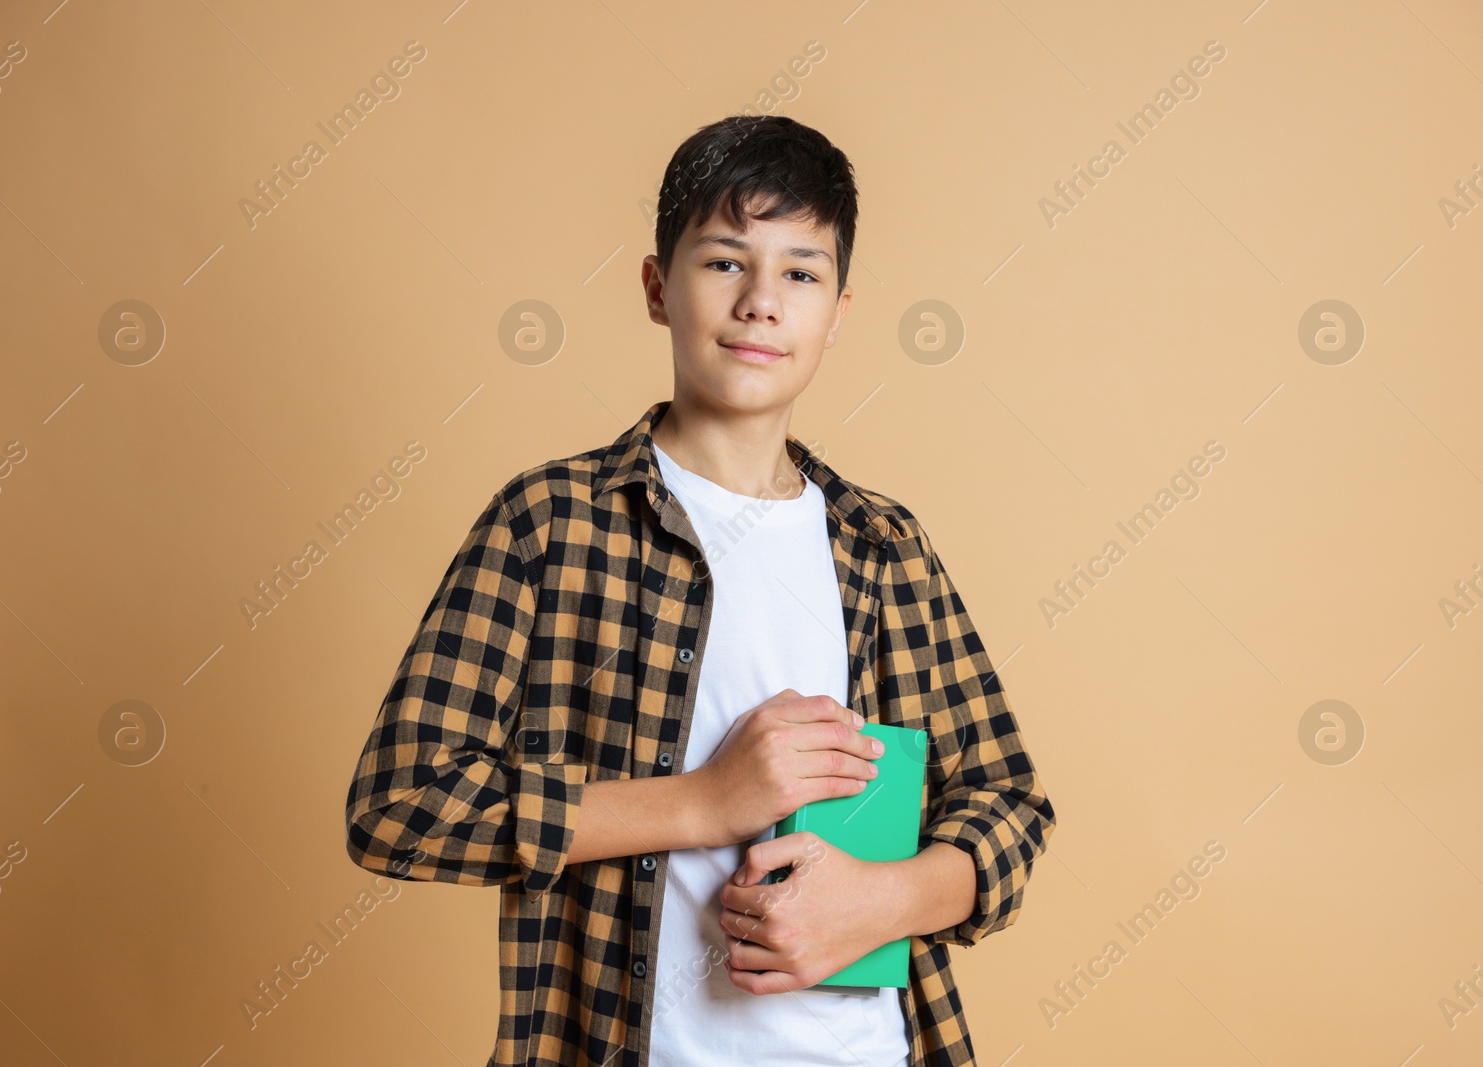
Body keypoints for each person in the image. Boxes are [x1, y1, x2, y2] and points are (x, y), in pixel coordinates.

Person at [344, 114, 1056, 1067]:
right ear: (656, 287)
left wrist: (882, 900)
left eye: (800, 273)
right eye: (725, 262)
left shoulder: (885, 549)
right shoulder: (551, 524)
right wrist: (702, 802)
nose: (762, 302)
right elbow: (401, 804)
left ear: (838, 311)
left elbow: (1008, 804)